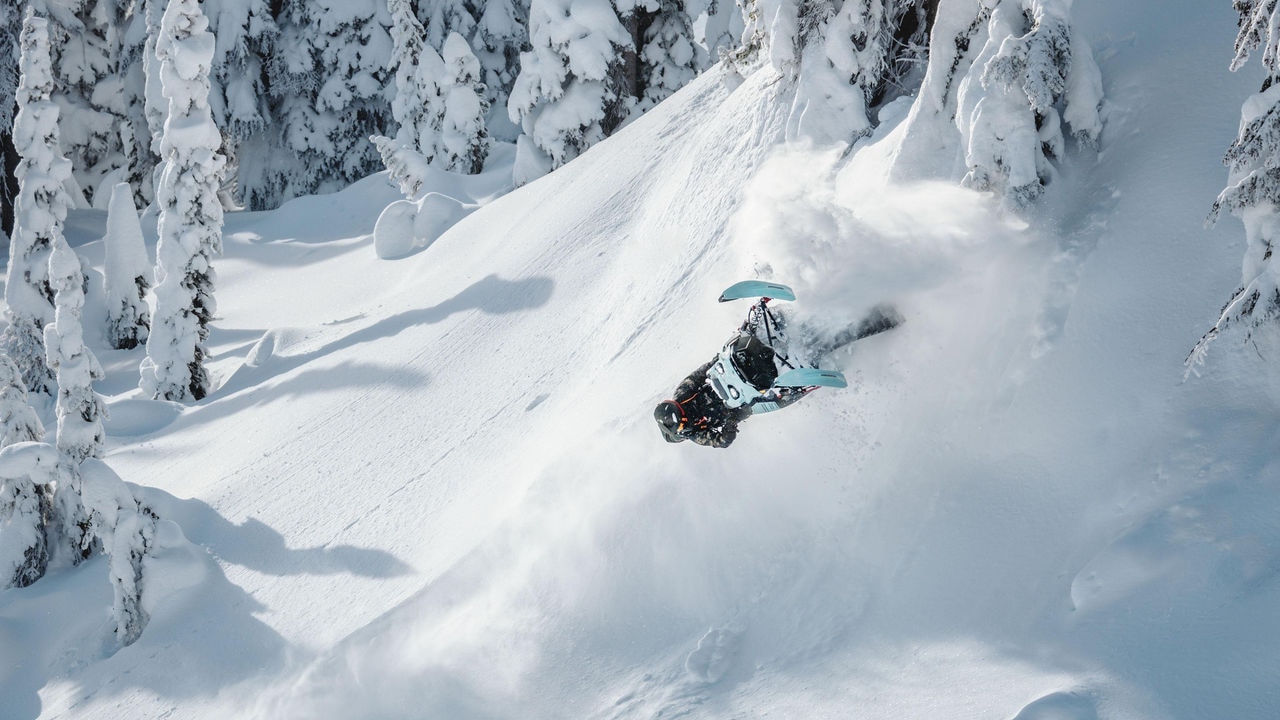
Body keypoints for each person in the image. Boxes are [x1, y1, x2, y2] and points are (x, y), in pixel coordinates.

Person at [653, 358, 754, 448]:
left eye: (676, 407)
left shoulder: (681, 395)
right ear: (681, 423)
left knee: (733, 354)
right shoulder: (695, 434)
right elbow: (721, 441)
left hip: (722, 382)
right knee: (753, 406)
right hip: (734, 409)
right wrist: (730, 428)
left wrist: (713, 363)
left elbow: (696, 376)